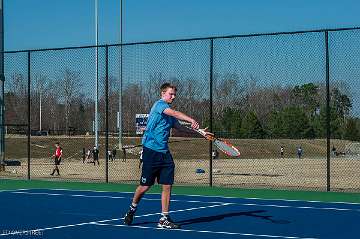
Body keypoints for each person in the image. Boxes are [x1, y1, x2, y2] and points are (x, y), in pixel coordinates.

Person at [123, 83, 212, 229]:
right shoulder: (159, 105)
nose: (173, 96)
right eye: (171, 94)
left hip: (164, 153)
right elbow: (175, 113)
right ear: (163, 94)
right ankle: (132, 209)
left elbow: (180, 127)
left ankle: (164, 218)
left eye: (174, 94)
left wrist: (200, 133)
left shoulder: (169, 115)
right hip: (151, 151)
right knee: (145, 186)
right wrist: (191, 120)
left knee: (167, 185)